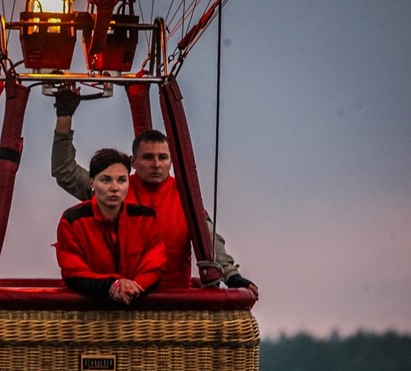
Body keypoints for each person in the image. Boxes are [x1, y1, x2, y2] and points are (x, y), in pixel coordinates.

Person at [52, 88, 259, 297]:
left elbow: (208, 236)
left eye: (162, 157)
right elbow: (65, 171)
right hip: (121, 301)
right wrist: (64, 117)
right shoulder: (116, 188)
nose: (156, 164)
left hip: (171, 303)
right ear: (133, 161)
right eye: (148, 157)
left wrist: (231, 275)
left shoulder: (185, 195)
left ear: (172, 161)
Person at [55, 148, 166, 305]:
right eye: (106, 180)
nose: (115, 188)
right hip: (87, 315)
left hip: (135, 310)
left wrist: (128, 289)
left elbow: (154, 265)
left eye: (121, 180)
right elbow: (73, 272)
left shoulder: (146, 218)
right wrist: (112, 284)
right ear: (92, 182)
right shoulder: (72, 220)